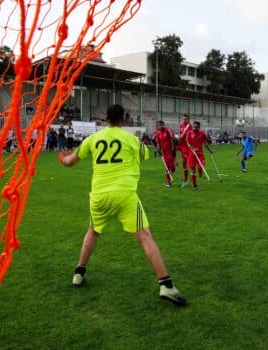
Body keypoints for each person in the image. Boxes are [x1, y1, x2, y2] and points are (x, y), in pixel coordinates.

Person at [58, 104, 186, 306]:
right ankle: (166, 285)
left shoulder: (93, 138)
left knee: (93, 231)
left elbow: (70, 162)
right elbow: (145, 155)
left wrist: (62, 159)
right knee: (144, 236)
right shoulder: (131, 139)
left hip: (99, 195)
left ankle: (79, 273)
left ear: (105, 118)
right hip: (124, 194)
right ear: (123, 120)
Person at [186, 121, 214, 191]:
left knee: (200, 167)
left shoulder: (202, 133)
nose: (194, 128)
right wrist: (192, 149)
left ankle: (200, 171)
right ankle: (195, 186)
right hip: (191, 154)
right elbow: (188, 143)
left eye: (196, 127)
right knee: (193, 170)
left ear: (199, 127)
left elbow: (205, 143)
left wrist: (210, 150)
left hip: (200, 153)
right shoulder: (189, 133)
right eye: (193, 127)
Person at [154, 120, 176, 188]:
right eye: (158, 125)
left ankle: (173, 168)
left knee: (172, 168)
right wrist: (158, 149)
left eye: (161, 125)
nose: (160, 126)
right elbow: (158, 142)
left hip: (170, 151)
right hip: (164, 152)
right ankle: (169, 183)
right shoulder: (157, 133)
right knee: (167, 168)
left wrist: (172, 149)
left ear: (163, 125)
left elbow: (172, 140)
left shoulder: (168, 130)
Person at [178, 114, 193, 188]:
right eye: (183, 119)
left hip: (188, 146)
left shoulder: (189, 126)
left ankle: (186, 179)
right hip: (182, 146)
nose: (184, 120)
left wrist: (177, 138)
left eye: (186, 119)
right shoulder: (181, 125)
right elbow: (180, 134)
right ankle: (187, 178)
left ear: (188, 120)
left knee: (187, 162)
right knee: (183, 162)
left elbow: (183, 135)